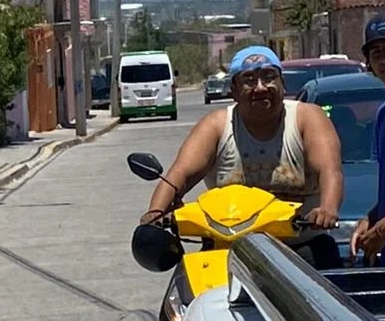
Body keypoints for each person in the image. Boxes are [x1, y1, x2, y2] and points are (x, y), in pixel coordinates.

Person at [139, 44, 344, 269]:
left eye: (269, 77)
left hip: (301, 244)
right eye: (249, 80)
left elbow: (330, 169)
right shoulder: (216, 126)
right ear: (233, 90)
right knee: (184, 295)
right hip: (227, 248)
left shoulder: (307, 118)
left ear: (282, 84)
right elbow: (180, 174)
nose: (260, 87)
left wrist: (328, 208)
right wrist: (156, 213)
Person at [349, 14, 385, 262]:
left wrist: (382, 230)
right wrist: (371, 219)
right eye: (377, 53)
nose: (383, 60)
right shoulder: (382, 115)